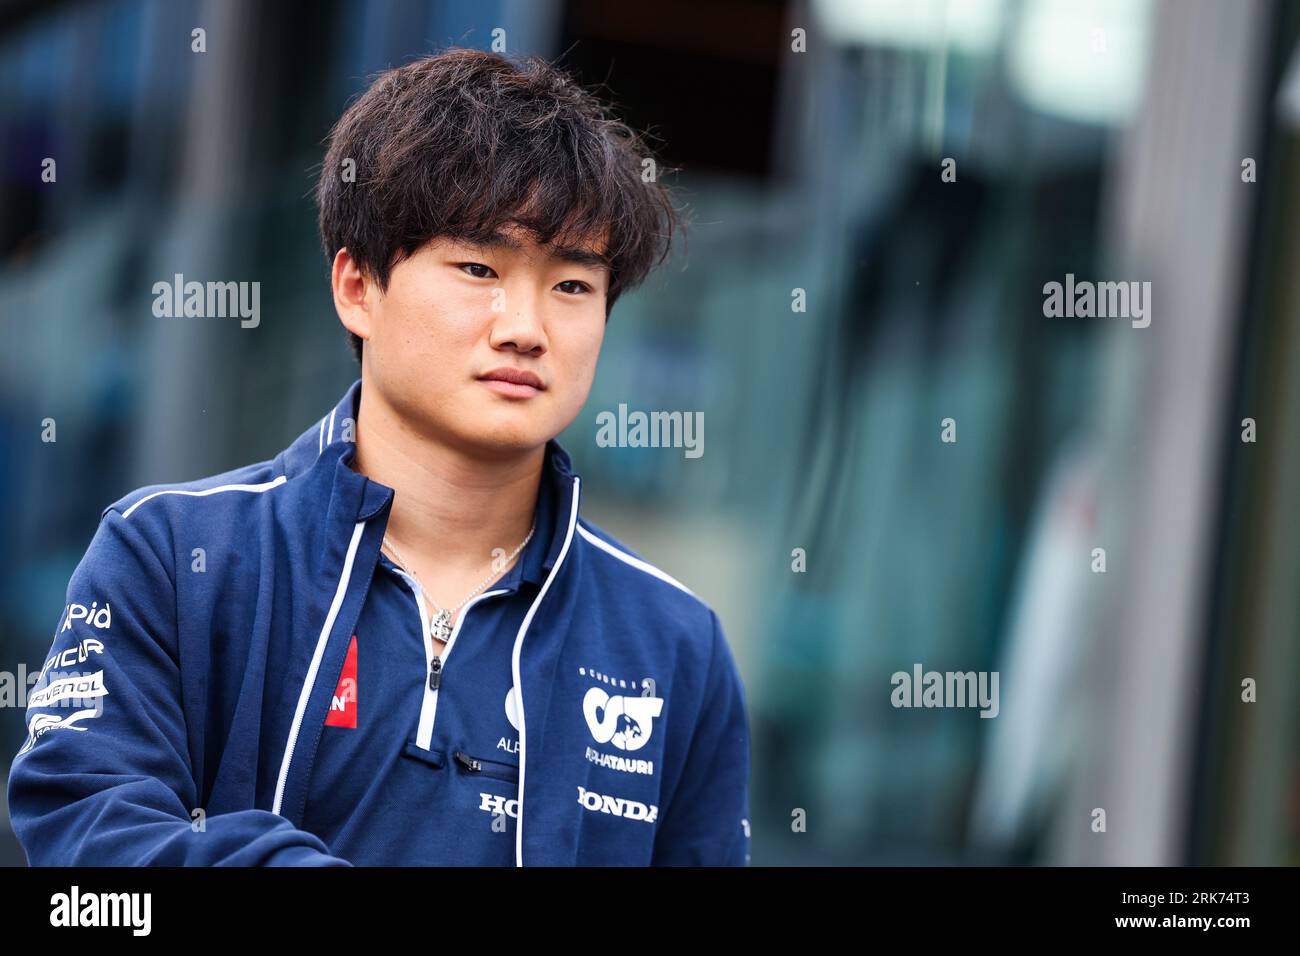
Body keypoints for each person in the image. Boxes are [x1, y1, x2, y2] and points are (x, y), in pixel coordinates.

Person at [7, 48, 751, 866]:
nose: (525, 327)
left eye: (572, 286)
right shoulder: (176, 559)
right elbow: (88, 846)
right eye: (478, 267)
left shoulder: (674, 644)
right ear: (357, 287)